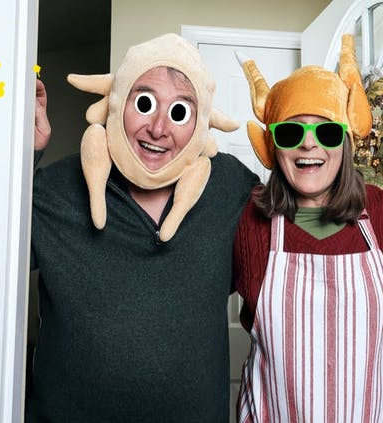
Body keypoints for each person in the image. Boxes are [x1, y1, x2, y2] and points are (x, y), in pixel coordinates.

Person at [232, 34, 383, 422]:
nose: (309, 146)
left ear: (344, 143)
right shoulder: (251, 218)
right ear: (274, 146)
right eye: (292, 133)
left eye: (326, 132)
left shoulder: (374, 208)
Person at [28, 33, 258, 422]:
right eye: (145, 103)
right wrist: (25, 152)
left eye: (180, 112)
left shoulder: (231, 189)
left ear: (201, 124)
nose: (158, 129)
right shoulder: (57, 190)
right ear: (116, 104)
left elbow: (291, 250)